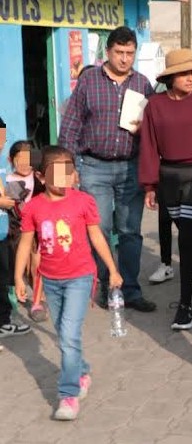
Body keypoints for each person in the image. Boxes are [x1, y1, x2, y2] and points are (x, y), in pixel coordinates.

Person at [13, 145, 123, 421]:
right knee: (64, 335)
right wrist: (18, 277)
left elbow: (97, 236)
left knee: (69, 334)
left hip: (80, 277)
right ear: (41, 177)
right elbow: (26, 243)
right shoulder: (34, 208)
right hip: (50, 280)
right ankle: (82, 371)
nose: (65, 178)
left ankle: (68, 394)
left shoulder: (83, 201)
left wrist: (112, 269)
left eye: (69, 171)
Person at [58, 26, 156, 313]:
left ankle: (131, 290)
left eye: (130, 53)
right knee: (99, 229)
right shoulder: (89, 81)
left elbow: (153, 129)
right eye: (119, 53)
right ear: (108, 52)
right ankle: (107, 285)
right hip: (94, 167)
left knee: (129, 231)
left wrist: (144, 131)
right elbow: (71, 125)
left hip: (130, 168)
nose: (125, 59)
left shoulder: (143, 84)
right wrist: (69, 167)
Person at [139, 49, 192, 331]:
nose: (191, 78)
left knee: (187, 236)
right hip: (168, 176)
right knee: (189, 234)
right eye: (185, 73)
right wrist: (150, 185)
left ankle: (185, 306)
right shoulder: (155, 105)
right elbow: (149, 146)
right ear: (170, 77)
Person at [5, 140, 46, 322]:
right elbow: (13, 208)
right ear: (10, 159)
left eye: (28, 158)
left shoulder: (39, 178)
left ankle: (37, 301)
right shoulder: (7, 180)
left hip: (39, 229)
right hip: (17, 230)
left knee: (37, 263)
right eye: (19, 158)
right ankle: (14, 298)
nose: (24, 163)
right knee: (18, 264)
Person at [0, 119, 32, 339]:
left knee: (2, 275)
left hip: (2, 229)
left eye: (3, 138)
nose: (2, 143)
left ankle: (3, 320)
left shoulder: (1, 162)